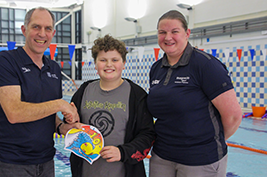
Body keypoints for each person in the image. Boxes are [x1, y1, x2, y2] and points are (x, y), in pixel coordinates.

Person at [147, 10, 242, 177]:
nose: (168, 37)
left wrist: (206, 144)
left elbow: (233, 116)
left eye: (174, 31)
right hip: (162, 157)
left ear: (187, 33)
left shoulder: (206, 65)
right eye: (162, 32)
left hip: (200, 160)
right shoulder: (157, 68)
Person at [0, 7, 80, 177]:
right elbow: (14, 113)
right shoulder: (7, 61)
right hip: (11, 161)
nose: (42, 34)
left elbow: (49, 115)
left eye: (48, 28)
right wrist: (60, 104)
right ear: (24, 30)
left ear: (53, 33)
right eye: (36, 27)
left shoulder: (53, 68)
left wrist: (63, 127)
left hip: (46, 159)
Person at [65, 34, 156, 177]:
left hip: (123, 172)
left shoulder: (137, 95)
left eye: (115, 60)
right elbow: (71, 127)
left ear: (124, 63)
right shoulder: (84, 90)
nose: (109, 64)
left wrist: (122, 152)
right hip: (87, 171)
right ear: (95, 63)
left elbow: (147, 134)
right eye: (103, 60)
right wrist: (70, 120)